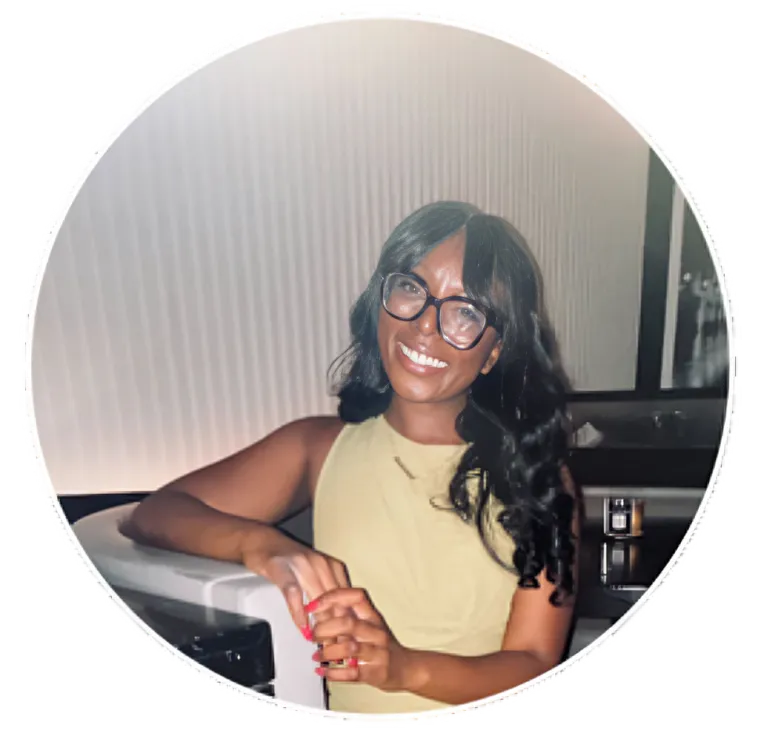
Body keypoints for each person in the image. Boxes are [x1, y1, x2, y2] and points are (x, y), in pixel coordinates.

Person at [121, 201, 581, 715]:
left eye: (466, 312)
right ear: (380, 300)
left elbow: (535, 663)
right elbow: (155, 514)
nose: (427, 325)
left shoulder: (539, 478)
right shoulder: (315, 447)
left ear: (494, 351)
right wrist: (260, 544)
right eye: (412, 288)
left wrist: (404, 667)